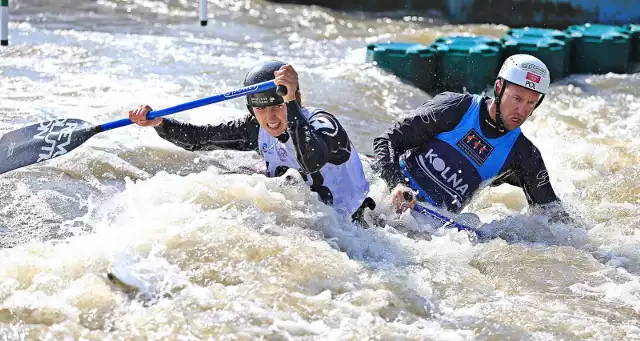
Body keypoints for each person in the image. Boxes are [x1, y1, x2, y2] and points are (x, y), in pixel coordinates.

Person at [129, 60, 375, 224]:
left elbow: (310, 160)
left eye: (278, 106)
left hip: (353, 226)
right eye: (261, 109)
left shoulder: (324, 124)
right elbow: (198, 139)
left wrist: (290, 103)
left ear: (295, 99)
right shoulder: (255, 128)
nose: (271, 118)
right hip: (306, 218)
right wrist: (160, 123)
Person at [372, 54, 572, 223]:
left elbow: (552, 215)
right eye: (517, 98)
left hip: (427, 228)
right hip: (382, 195)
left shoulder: (523, 155)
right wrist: (396, 184)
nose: (522, 111)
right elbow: (387, 140)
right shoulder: (454, 108)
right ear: (499, 88)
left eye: (531, 103)